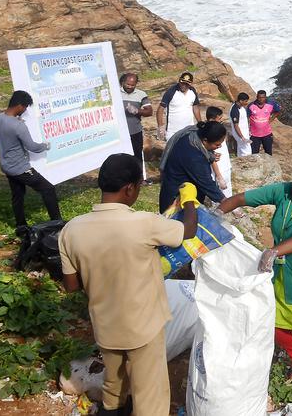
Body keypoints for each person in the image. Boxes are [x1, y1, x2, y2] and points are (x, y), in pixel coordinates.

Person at [59, 154, 199, 416]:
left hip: (105, 324)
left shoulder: (71, 230)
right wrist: (189, 200)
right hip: (143, 326)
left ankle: (112, 410)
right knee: (150, 391)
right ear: (130, 188)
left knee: (115, 381)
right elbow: (187, 230)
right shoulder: (143, 223)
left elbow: (71, 286)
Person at [217, 158, 292, 390]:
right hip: (284, 272)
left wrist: (274, 251)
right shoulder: (284, 191)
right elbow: (242, 198)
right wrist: (216, 213)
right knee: (269, 319)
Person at [0, 91, 60, 234]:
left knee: (18, 194)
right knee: (48, 189)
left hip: (6, 166)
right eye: (26, 107)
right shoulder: (18, 126)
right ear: (20, 105)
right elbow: (32, 147)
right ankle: (57, 222)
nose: (25, 110)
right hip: (20, 168)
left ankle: (21, 226)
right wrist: (46, 145)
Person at [158, 120, 228, 211]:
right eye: (217, 144)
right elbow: (206, 183)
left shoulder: (192, 135)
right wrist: (225, 201)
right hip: (177, 200)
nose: (220, 147)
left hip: (177, 189)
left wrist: (210, 154)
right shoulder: (194, 156)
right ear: (205, 140)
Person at [118, 73, 152, 179]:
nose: (130, 87)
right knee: (120, 156)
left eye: (132, 85)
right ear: (123, 82)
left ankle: (139, 179)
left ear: (136, 84)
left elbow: (149, 111)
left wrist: (137, 111)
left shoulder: (141, 94)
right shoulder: (116, 92)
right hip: (119, 131)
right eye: (128, 84)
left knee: (136, 155)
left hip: (135, 131)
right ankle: (121, 178)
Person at [156, 72, 200, 142]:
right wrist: (160, 126)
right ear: (179, 81)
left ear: (190, 84)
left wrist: (199, 122)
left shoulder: (192, 91)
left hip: (189, 130)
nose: (184, 85)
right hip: (172, 132)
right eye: (182, 83)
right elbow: (160, 109)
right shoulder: (171, 92)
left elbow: (195, 107)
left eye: (187, 84)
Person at [202, 107, 233, 197]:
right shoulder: (208, 134)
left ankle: (230, 204)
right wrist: (218, 175)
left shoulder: (220, 129)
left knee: (228, 187)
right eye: (219, 118)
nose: (221, 120)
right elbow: (212, 157)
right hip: (218, 169)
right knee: (219, 191)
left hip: (226, 165)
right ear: (212, 119)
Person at [247, 90, 280, 155]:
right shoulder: (251, 106)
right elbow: (247, 117)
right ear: (257, 97)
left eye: (263, 97)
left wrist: (271, 119)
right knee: (254, 154)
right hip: (254, 135)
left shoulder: (271, 104)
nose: (261, 99)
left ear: (265, 97)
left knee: (268, 153)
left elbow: (277, 111)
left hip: (267, 134)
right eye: (259, 97)